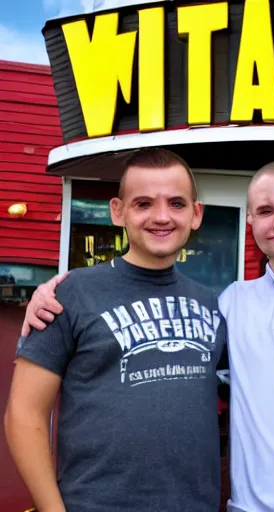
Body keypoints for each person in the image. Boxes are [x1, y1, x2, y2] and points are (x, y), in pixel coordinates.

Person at [18, 159, 274, 512]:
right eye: (266, 210)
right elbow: (25, 414)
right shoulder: (232, 302)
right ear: (250, 220)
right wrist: (48, 291)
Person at [4, 148, 228, 512]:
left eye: (176, 203)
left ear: (195, 214)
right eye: (143, 204)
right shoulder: (70, 294)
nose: (161, 217)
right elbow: (24, 413)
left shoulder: (213, 305)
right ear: (118, 211)